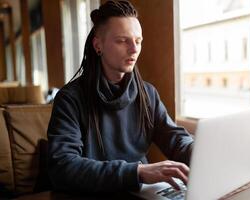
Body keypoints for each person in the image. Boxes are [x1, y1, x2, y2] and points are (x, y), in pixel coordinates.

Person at [47, 0, 193, 194]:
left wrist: (204, 154)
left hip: (140, 192)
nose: (134, 49)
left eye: (138, 41)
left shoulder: (147, 93)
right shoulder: (70, 99)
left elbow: (174, 138)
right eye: (123, 40)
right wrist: (137, 172)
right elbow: (63, 167)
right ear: (98, 45)